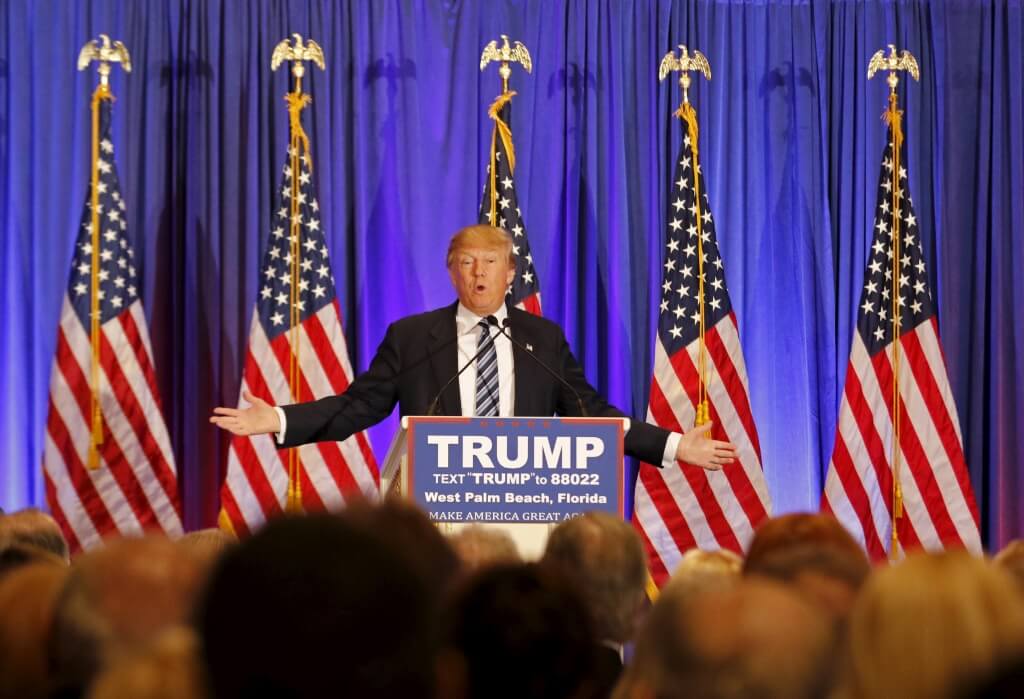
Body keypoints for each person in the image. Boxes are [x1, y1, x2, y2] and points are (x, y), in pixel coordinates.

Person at [211, 224, 737, 470]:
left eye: (490, 262)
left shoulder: (543, 340)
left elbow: (590, 414)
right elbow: (356, 410)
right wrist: (279, 419)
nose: (479, 272)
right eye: (467, 261)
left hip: (525, 507)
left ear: (511, 274)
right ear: (451, 270)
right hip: (434, 513)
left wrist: (672, 445)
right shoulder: (413, 338)